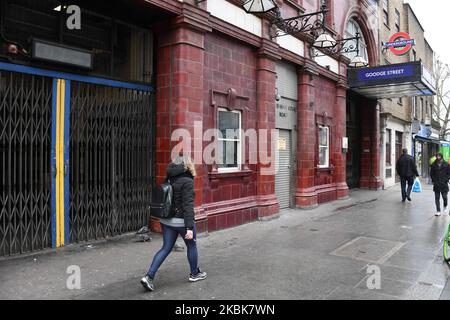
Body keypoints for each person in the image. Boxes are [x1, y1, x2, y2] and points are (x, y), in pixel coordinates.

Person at [140, 155, 207, 291]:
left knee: (165, 248)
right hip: (181, 221)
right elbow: (188, 205)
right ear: (188, 165)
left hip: (166, 220)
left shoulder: (169, 178)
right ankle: (194, 273)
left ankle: (148, 277)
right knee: (191, 246)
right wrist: (189, 227)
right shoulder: (187, 181)